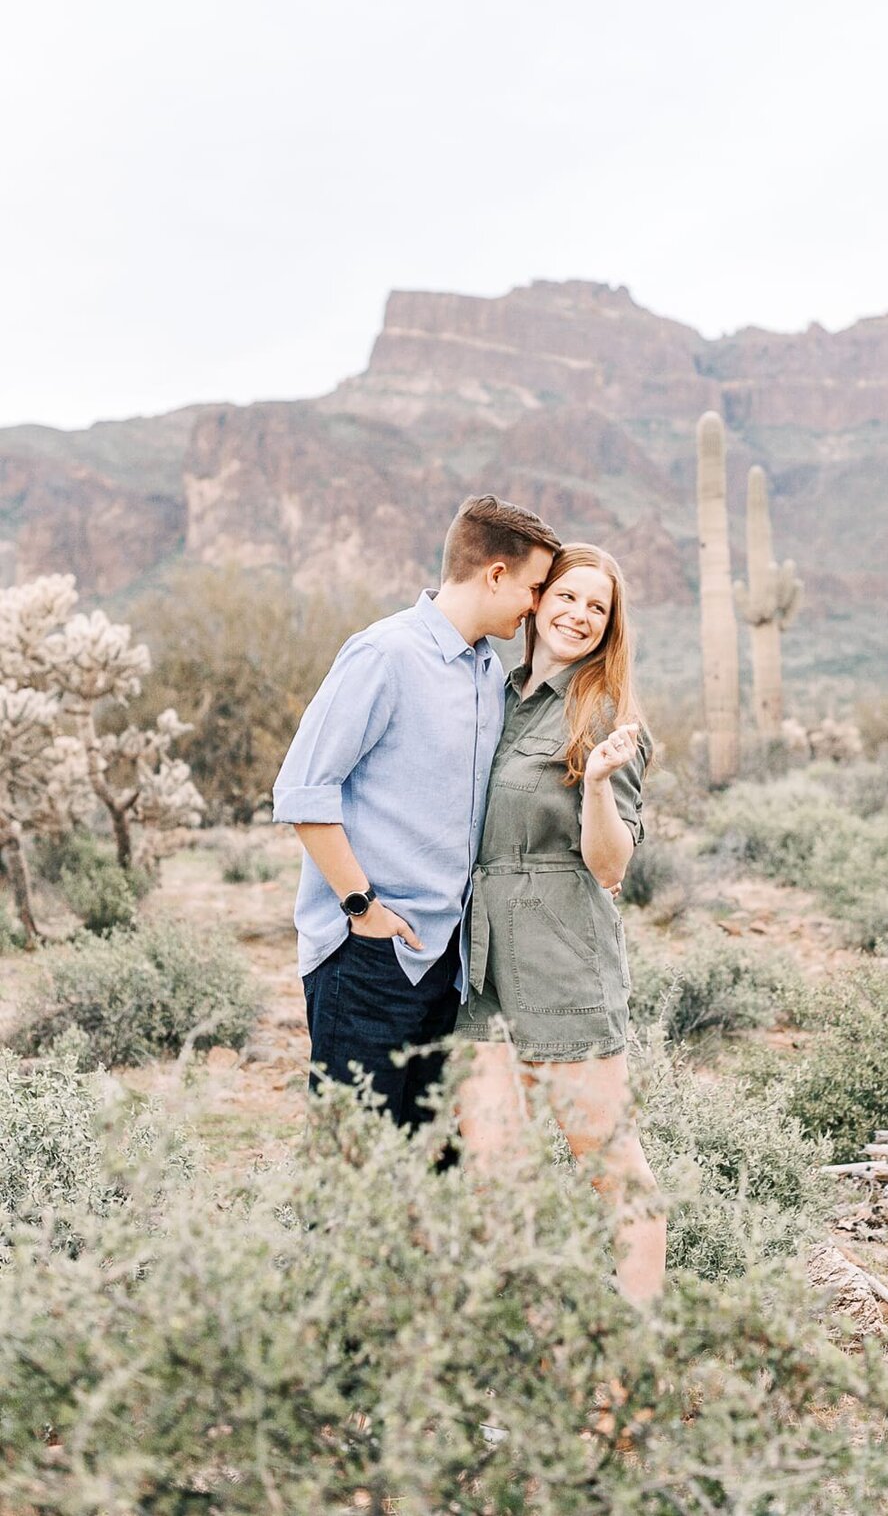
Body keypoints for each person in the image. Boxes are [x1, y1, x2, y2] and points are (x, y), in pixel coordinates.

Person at [272, 494, 560, 1130]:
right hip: (370, 954)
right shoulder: (384, 654)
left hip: (449, 962)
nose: (536, 605)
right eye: (534, 587)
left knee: (429, 1174)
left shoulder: (490, 671)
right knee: (355, 1167)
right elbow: (303, 791)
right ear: (495, 574)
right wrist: (361, 908)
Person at [454, 542, 666, 1307]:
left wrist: (601, 784)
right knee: (494, 1187)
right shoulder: (494, 694)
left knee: (617, 1177)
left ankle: (627, 1381)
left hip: (563, 964)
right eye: (568, 596)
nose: (579, 614)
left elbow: (610, 866)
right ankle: (531, 1386)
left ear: (610, 627)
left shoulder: (606, 717)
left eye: (597, 607)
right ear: (537, 602)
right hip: (478, 977)